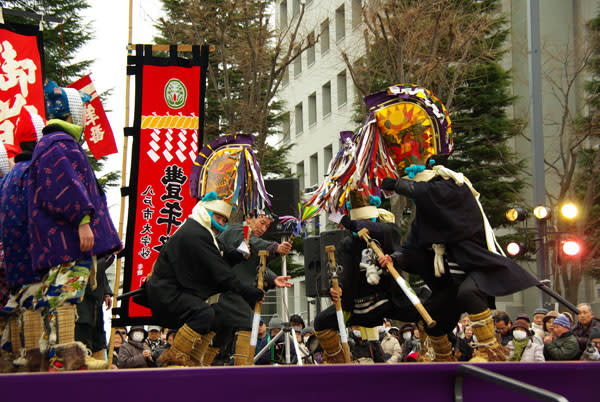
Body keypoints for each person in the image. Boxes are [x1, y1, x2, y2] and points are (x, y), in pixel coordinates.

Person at [27, 80, 121, 371]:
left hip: (59, 237)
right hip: (68, 238)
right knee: (65, 294)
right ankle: (62, 356)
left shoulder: (50, 146)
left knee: (59, 294)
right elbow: (66, 187)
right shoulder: (59, 146)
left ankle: (52, 354)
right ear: (72, 116)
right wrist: (83, 221)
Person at [312, 189, 417, 364]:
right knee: (321, 322)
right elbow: (341, 275)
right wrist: (337, 290)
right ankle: (336, 357)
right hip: (357, 306)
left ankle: (435, 350)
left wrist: (349, 222)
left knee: (426, 303)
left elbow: (382, 234)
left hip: (388, 300)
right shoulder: (347, 244)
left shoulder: (388, 231)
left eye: (366, 222)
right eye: (358, 222)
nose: (362, 226)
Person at [212, 211, 292, 366]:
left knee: (220, 334)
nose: (264, 229)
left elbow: (258, 266)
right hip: (223, 289)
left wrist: (274, 278)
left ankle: (206, 366)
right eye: (262, 222)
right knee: (248, 321)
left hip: (234, 289)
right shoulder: (236, 230)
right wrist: (274, 247)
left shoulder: (251, 239)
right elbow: (254, 242)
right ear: (249, 219)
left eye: (267, 226)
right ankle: (243, 369)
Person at [0, 111, 44, 372]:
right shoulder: (33, 173)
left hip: (11, 265)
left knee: (13, 334)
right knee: (33, 339)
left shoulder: (9, 178)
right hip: (32, 261)